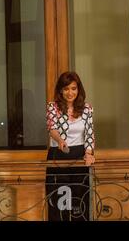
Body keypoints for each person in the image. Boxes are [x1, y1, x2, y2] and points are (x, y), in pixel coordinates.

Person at [45, 71, 95, 221]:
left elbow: (90, 133)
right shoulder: (52, 107)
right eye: (66, 89)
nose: (70, 92)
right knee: (59, 200)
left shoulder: (87, 108)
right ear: (60, 90)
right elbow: (51, 128)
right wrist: (60, 140)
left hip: (79, 155)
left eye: (73, 88)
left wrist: (89, 153)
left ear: (78, 89)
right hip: (58, 154)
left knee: (79, 201)